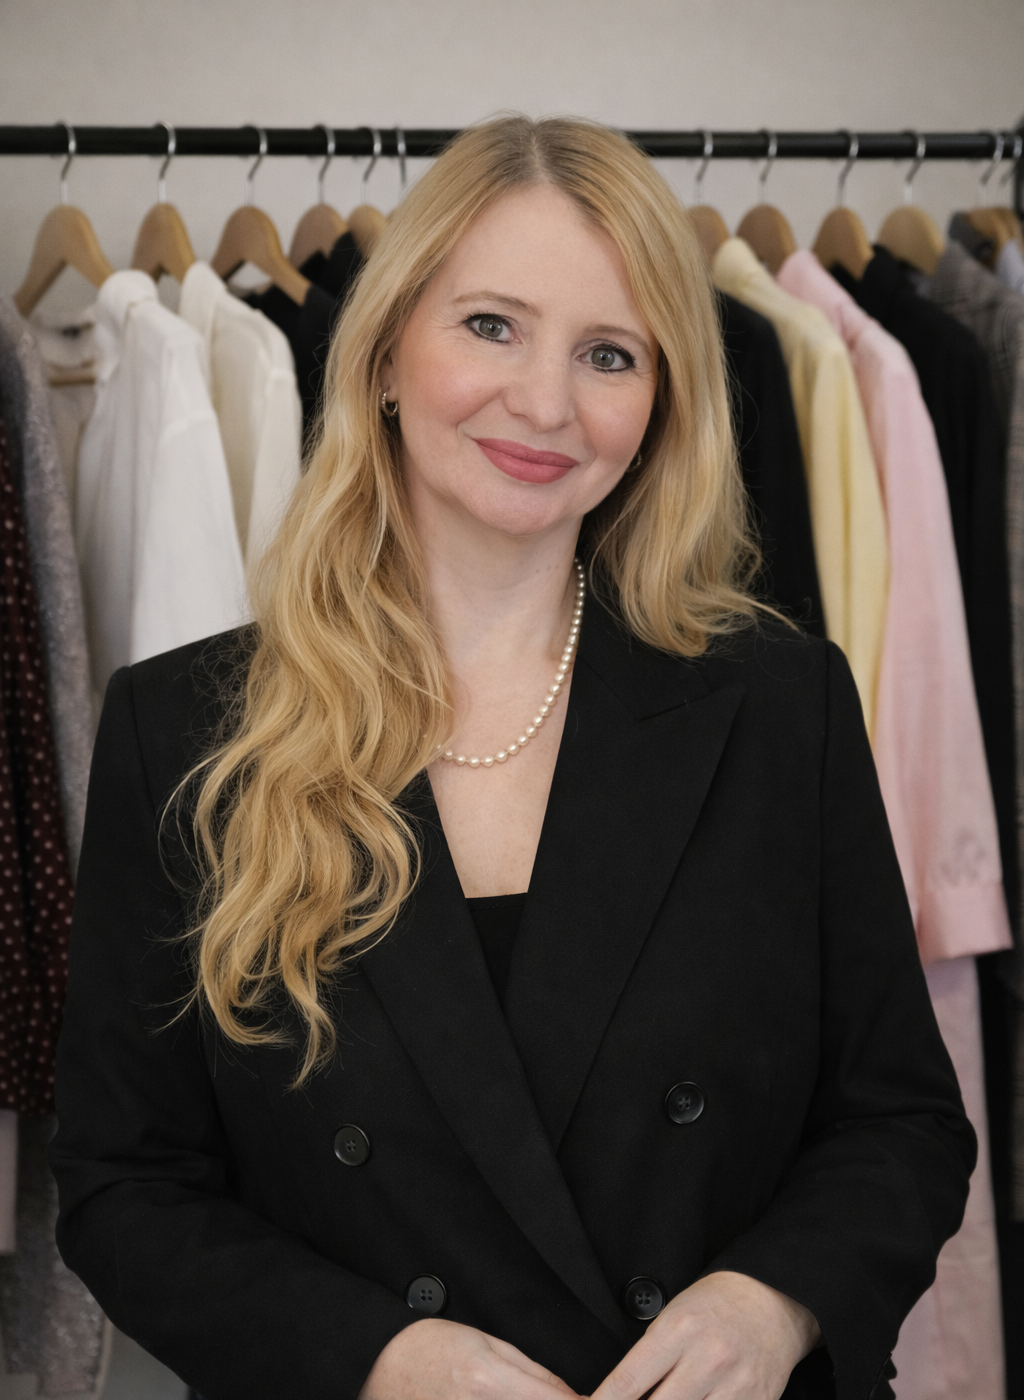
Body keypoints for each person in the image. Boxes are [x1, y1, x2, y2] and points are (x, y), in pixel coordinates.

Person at [50, 117, 973, 1400]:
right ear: (380, 353)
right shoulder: (191, 729)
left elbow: (903, 1122)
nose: (545, 402)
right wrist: (375, 1353)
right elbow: (120, 1185)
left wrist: (773, 1302)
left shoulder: (777, 704)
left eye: (608, 353)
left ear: (658, 405)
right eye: (490, 325)